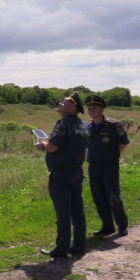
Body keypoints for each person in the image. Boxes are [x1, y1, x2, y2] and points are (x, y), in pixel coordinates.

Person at [35, 92, 89, 260]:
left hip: (61, 173)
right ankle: (79, 245)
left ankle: (61, 249)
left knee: (63, 212)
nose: (59, 103)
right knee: (77, 211)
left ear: (73, 107)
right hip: (76, 170)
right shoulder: (83, 124)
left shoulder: (64, 124)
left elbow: (53, 147)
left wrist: (43, 144)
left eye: (64, 102)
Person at [85, 94, 130, 237]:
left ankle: (122, 226)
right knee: (99, 197)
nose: (91, 110)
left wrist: (111, 156)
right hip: (93, 166)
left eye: (94, 108)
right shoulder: (87, 126)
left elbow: (123, 142)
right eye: (89, 108)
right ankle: (107, 226)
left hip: (109, 166)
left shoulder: (113, 125)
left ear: (102, 109)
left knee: (113, 196)